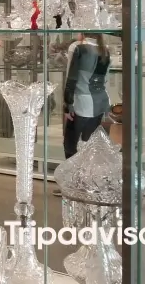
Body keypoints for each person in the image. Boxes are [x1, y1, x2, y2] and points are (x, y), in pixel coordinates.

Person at [57, 33, 111, 195]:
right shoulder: (105, 49)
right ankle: (87, 184)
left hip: (81, 102)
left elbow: (71, 77)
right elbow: (105, 79)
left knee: (70, 145)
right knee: (89, 145)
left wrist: (67, 104)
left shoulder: (78, 47)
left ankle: (73, 185)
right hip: (99, 101)